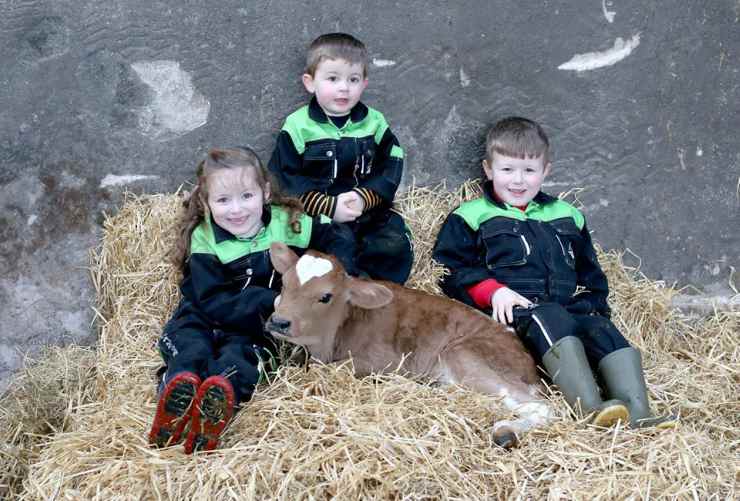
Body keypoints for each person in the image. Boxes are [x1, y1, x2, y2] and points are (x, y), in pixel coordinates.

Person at [432, 117, 676, 429]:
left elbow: (591, 272)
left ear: (546, 171)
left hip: (567, 307)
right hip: (520, 311)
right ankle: (590, 409)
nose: (518, 181)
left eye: (529, 171)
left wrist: (594, 306)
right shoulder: (471, 216)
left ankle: (639, 412)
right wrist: (493, 291)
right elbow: (450, 269)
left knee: (602, 330)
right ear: (488, 169)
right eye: (507, 170)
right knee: (549, 316)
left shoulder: (566, 215)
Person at [148, 146, 357, 453]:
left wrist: (330, 275)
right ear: (205, 204)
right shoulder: (203, 238)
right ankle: (178, 390)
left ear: (266, 192)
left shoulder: (291, 223)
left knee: (245, 358)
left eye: (247, 196)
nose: (237, 210)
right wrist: (270, 301)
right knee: (189, 347)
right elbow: (212, 298)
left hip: (255, 327)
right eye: (223, 200)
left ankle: (218, 399)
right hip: (202, 316)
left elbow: (336, 237)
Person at [268, 32, 413, 284]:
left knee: (394, 242)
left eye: (353, 79)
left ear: (364, 83)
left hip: (367, 208)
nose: (344, 87)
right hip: (320, 214)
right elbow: (284, 177)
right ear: (310, 82)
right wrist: (329, 207)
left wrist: (364, 197)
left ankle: (380, 293)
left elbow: (392, 163)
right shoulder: (298, 126)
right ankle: (344, 293)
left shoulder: (374, 122)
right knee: (335, 252)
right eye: (332, 78)